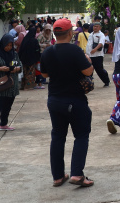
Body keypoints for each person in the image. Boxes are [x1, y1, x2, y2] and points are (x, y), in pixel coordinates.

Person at [40, 18, 95, 188]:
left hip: (54, 100)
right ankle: (77, 174)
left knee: (57, 136)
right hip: (75, 100)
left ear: (55, 34)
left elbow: (45, 75)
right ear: (70, 33)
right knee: (81, 136)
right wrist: (88, 60)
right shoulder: (75, 51)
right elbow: (88, 71)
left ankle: (58, 176)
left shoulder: (48, 52)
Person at [0, 34, 22, 136]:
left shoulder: (13, 54)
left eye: (11, 45)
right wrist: (1, 68)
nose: (9, 47)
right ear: (2, 44)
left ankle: (3, 124)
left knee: (7, 106)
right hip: (0, 85)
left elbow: (19, 66)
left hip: (11, 85)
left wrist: (14, 68)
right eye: (7, 45)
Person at [86, 23, 110, 87]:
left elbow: (101, 43)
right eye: (94, 26)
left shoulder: (101, 34)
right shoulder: (91, 34)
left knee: (99, 69)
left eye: (97, 26)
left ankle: (106, 81)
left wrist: (95, 49)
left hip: (97, 55)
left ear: (100, 28)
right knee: (89, 69)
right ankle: (89, 83)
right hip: (90, 55)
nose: (95, 28)